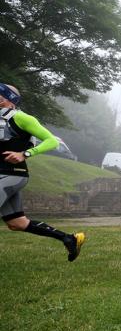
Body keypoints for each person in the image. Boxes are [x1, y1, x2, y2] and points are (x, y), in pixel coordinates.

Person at [0, 83, 86, 261]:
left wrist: (25, 154)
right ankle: (68, 238)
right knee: (17, 223)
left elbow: (51, 141)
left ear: (7, 100)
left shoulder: (22, 118)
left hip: (12, 175)